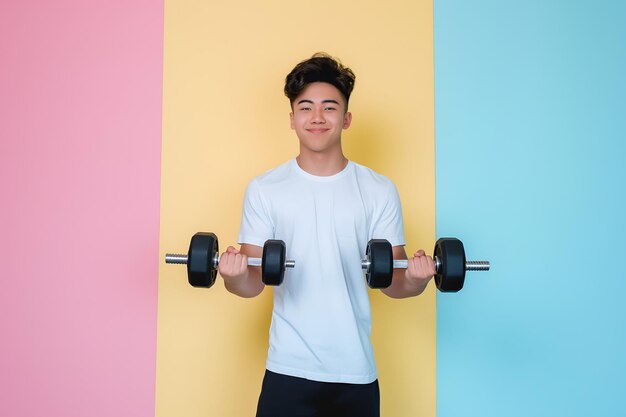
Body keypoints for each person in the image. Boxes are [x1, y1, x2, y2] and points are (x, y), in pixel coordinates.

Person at [218, 52, 435, 417]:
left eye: (329, 107)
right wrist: (232, 276)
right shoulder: (265, 189)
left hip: (355, 373)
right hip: (288, 368)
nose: (317, 117)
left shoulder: (379, 190)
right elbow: (251, 282)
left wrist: (417, 280)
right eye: (305, 108)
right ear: (291, 119)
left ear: (346, 118)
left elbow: (394, 283)